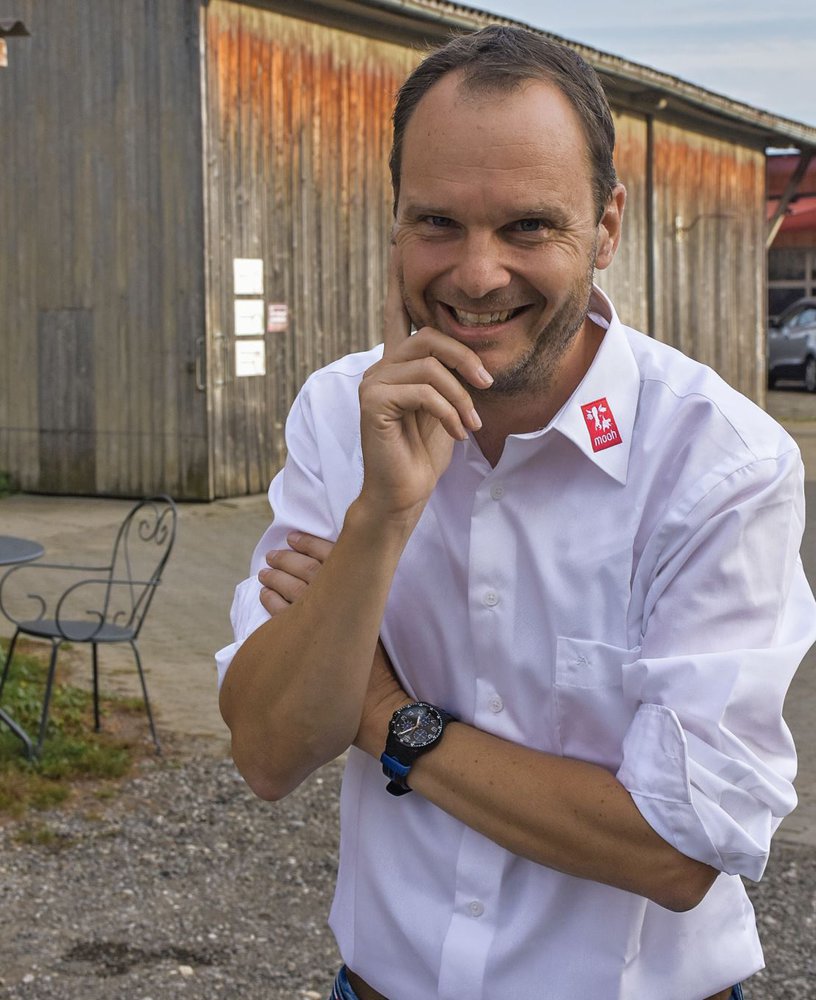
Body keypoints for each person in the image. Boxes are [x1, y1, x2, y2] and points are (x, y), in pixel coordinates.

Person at [216, 25, 816, 1000]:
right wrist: (380, 518)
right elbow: (271, 749)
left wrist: (385, 714)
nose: (477, 273)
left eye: (529, 227)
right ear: (396, 220)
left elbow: (677, 850)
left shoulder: (719, 463)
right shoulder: (341, 414)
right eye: (437, 222)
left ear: (609, 225)